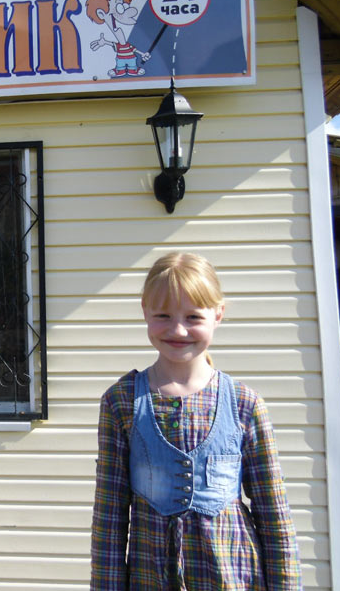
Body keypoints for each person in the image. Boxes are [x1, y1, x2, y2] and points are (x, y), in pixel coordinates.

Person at [90, 252, 302, 590]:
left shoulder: (245, 404)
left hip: (233, 579)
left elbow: (275, 517)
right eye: (163, 315)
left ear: (218, 314)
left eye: (193, 316)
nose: (178, 329)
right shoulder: (121, 402)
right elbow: (109, 519)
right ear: (145, 311)